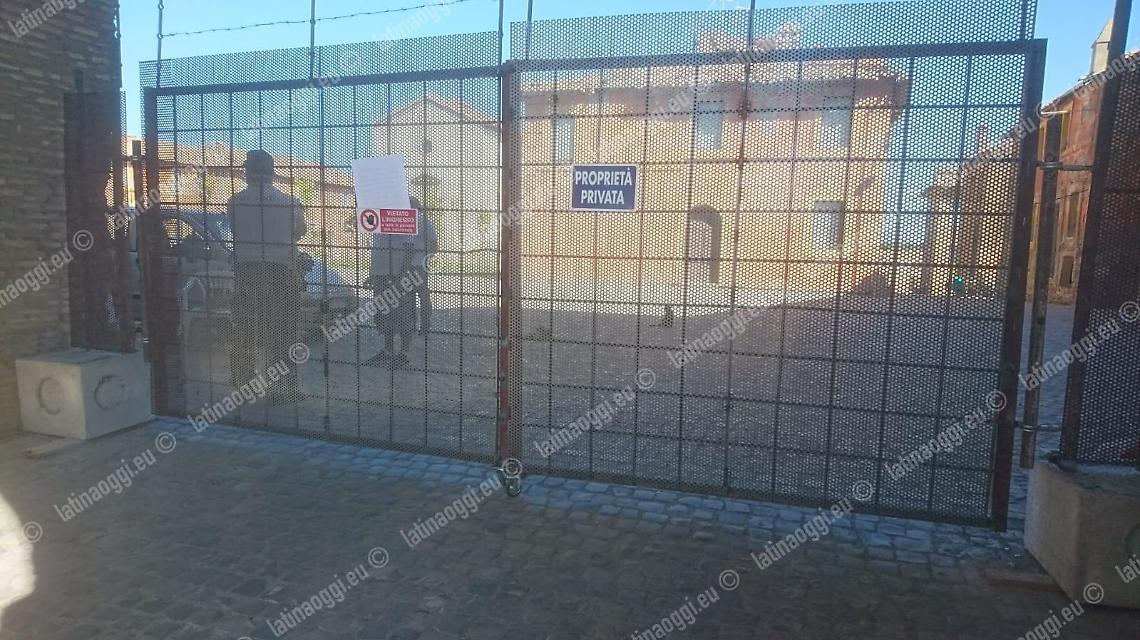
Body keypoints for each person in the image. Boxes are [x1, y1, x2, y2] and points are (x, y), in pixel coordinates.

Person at [227, 150, 307, 401]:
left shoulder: (234, 202)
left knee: (245, 329)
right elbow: (300, 232)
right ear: (272, 173)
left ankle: (244, 383)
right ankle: (282, 388)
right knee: (282, 332)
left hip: (246, 272)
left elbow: (235, 230)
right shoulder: (290, 202)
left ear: (247, 172)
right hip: (280, 272)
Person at [367, 196, 426, 369]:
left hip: (396, 276)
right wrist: (373, 273)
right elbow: (377, 249)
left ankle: (404, 353)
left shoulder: (403, 219)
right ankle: (388, 351)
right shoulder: (380, 219)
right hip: (381, 275)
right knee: (384, 313)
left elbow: (409, 250)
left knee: (403, 314)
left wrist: (402, 276)